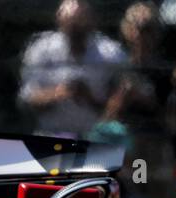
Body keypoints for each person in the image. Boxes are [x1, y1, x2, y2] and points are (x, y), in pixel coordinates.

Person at [18, 0, 127, 136]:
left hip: (96, 136)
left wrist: (89, 98)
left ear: (92, 23)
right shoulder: (41, 50)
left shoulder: (111, 53)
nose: (76, 32)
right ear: (60, 22)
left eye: (81, 26)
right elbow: (29, 98)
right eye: (71, 26)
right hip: (52, 134)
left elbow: (120, 103)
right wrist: (60, 93)